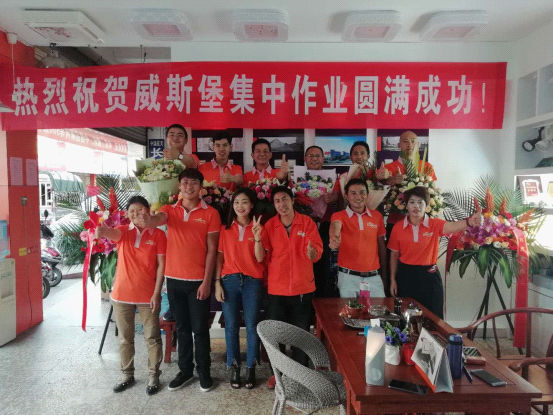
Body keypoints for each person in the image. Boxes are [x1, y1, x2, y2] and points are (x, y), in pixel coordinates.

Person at [140, 168, 221, 393]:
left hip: (198, 282)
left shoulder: (211, 213)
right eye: (185, 182)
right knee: (182, 328)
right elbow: (157, 220)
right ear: (179, 186)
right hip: (174, 280)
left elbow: (212, 250)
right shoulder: (169, 209)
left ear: (201, 187)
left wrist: (207, 281)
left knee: (200, 329)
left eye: (193, 183)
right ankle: (185, 371)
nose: (189, 187)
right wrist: (148, 218)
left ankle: (204, 372)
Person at [96, 195, 166, 395]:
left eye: (140, 210)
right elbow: (110, 233)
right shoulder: (123, 231)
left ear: (148, 210)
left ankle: (154, 375)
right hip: (122, 295)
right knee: (125, 338)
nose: (136, 214)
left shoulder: (159, 235)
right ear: (127, 214)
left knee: (152, 337)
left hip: (147, 295)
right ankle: (127, 375)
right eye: (132, 211)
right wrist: (101, 231)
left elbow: (161, 266)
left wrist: (156, 293)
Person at [388, 186, 482, 319]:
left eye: (420, 202)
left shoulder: (434, 224)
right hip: (406, 276)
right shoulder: (398, 228)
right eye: (412, 202)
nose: (416, 206)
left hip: (429, 277)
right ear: (406, 205)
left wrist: (469, 222)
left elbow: (452, 226)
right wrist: (392, 280)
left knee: (433, 318)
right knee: (406, 318)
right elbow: (394, 255)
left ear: (426, 205)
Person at [264, 186, 323, 388]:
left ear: (292, 201)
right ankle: (278, 374)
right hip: (276, 288)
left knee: (302, 334)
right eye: (277, 201)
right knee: (277, 334)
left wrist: (313, 253)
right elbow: (264, 256)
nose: (282, 204)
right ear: (274, 205)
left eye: (285, 199)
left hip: (302, 287)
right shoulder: (270, 226)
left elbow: (317, 250)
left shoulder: (306, 223)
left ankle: (301, 375)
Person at [215, 188, 269, 389]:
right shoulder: (225, 229)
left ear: (252, 205)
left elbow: (260, 258)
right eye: (236, 202)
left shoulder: (260, 228)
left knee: (253, 325)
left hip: (252, 282)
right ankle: (235, 367)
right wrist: (217, 282)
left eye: (245, 202)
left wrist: (257, 237)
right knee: (231, 326)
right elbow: (219, 257)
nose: (240, 206)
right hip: (228, 281)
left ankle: (251, 368)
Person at [329, 178, 387, 298]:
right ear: (346, 196)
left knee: (379, 310)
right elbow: (335, 225)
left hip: (374, 277)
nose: (358, 196)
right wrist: (334, 236)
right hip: (348, 278)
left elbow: (381, 246)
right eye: (353, 193)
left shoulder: (377, 216)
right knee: (350, 310)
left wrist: (385, 275)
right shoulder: (339, 215)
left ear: (367, 194)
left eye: (362, 192)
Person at [303, 145, 339, 298]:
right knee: (304, 262)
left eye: (318, 156)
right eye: (311, 156)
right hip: (304, 226)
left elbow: (338, 198)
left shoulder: (333, 179)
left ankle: (322, 302)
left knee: (324, 264)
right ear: (305, 159)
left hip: (325, 225)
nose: (314, 159)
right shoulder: (297, 178)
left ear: (323, 159)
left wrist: (333, 198)